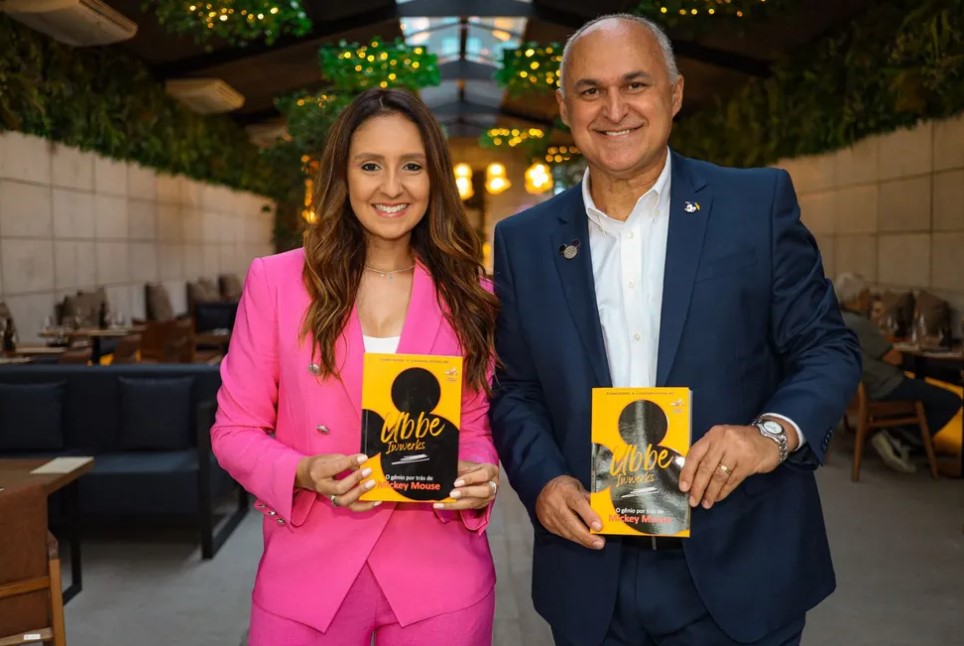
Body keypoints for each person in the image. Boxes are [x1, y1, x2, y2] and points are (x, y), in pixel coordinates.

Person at [489, 14, 861, 646]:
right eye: (589, 91)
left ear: (675, 93)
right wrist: (544, 481)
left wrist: (771, 434)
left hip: (737, 568)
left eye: (635, 85)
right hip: (591, 572)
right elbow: (516, 388)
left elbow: (827, 346)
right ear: (562, 106)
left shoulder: (755, 205)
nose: (614, 110)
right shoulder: (523, 241)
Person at [211, 88, 501, 645]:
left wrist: (479, 472)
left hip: (440, 578)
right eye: (371, 166)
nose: (392, 187)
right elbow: (234, 431)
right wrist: (303, 472)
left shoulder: (470, 291)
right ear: (342, 177)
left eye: (411, 166)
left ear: (435, 177)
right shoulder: (276, 282)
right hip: (309, 575)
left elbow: (476, 423)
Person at [835, 272, 962, 473]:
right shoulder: (859, 324)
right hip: (883, 386)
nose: (871, 298)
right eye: (867, 293)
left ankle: (906, 437)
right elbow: (896, 359)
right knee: (950, 399)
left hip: (858, 387)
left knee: (926, 392)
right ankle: (899, 438)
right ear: (858, 297)